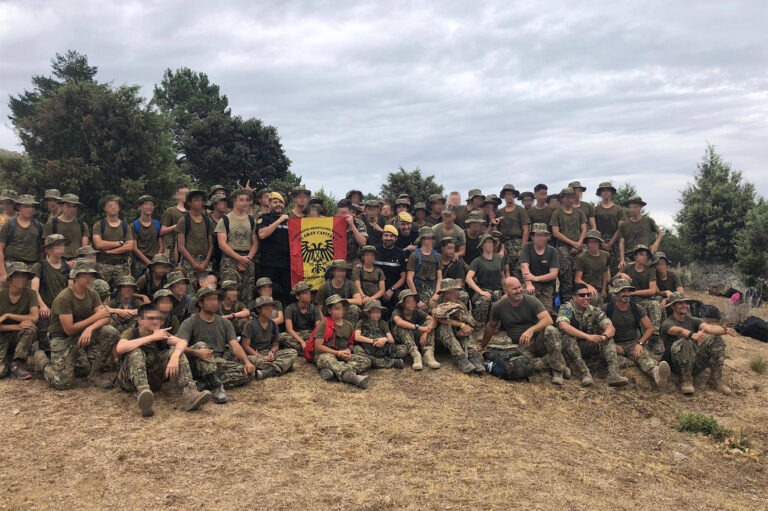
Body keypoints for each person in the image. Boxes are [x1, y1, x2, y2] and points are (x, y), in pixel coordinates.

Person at [115, 303, 211, 417]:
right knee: (135, 352)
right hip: (129, 382)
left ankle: (191, 395)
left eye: (157, 318)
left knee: (176, 351)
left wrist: (175, 357)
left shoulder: (161, 333)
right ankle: (144, 396)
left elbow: (182, 342)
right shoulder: (132, 332)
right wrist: (152, 337)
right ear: (140, 320)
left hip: (154, 380)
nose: (155, 321)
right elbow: (120, 348)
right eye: (151, 318)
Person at [34, 262, 120, 389]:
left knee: (109, 332)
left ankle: (94, 373)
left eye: (91, 275)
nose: (89, 278)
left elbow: (105, 318)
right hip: (62, 338)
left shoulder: (92, 294)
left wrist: (90, 329)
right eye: (85, 275)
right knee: (62, 383)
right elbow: (69, 329)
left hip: (80, 335)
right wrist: (95, 318)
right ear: (75, 277)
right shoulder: (64, 298)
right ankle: (40, 358)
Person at [480, 277, 569, 385]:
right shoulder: (498, 306)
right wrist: (482, 345)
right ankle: (554, 361)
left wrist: (531, 330)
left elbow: (548, 320)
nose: (519, 290)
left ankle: (558, 370)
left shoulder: (532, 301)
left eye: (519, 287)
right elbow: (491, 327)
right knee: (516, 367)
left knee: (550, 330)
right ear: (505, 291)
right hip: (521, 347)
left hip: (539, 342)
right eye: (514, 289)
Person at [176, 287, 256, 404]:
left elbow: (234, 344)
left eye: (216, 299)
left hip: (217, 363)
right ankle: (217, 387)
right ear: (200, 303)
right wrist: (196, 352)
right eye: (209, 299)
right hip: (197, 362)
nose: (214, 302)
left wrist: (246, 361)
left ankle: (203, 384)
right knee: (202, 346)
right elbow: (179, 345)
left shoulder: (225, 322)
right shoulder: (190, 322)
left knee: (248, 374)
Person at [661, 292, 734, 395]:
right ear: (673, 306)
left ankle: (715, 379)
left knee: (717, 339)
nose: (684, 305)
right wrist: (692, 335)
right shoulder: (668, 322)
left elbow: (709, 328)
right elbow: (677, 330)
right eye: (680, 303)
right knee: (686, 341)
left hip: (694, 362)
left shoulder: (692, 320)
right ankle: (686, 380)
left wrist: (724, 330)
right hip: (677, 364)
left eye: (685, 303)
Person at [556, 283, 628, 387]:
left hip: (586, 346)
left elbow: (610, 328)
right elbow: (563, 325)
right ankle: (584, 373)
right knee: (568, 337)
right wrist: (587, 336)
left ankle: (614, 374)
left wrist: (604, 336)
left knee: (608, 339)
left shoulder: (594, 310)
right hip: (568, 348)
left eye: (588, 295)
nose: (586, 298)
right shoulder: (567, 308)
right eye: (582, 295)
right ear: (574, 297)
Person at [604, 279, 671, 389]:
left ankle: (657, 374)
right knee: (610, 359)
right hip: (613, 343)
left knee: (643, 357)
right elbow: (598, 330)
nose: (626, 294)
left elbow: (650, 328)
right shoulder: (608, 308)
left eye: (628, 291)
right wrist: (613, 345)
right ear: (616, 293)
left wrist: (640, 343)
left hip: (632, 343)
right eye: (623, 291)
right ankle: (629, 364)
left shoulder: (636, 308)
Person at [613, 245, 663, 354]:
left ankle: (654, 339)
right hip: (627, 300)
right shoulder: (627, 267)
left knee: (654, 305)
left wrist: (632, 293)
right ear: (635, 256)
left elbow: (652, 291)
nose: (644, 257)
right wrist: (620, 274)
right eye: (641, 254)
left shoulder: (650, 270)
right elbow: (611, 282)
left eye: (646, 255)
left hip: (643, 300)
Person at [312, 295, 370, 388]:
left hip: (342, 355)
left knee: (365, 360)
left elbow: (351, 344)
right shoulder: (324, 324)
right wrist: (338, 353)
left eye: (342, 308)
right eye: (336, 308)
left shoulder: (349, 325)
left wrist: (348, 351)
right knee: (327, 359)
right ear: (329, 311)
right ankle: (351, 377)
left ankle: (331, 372)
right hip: (326, 354)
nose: (340, 311)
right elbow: (318, 347)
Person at [240, 296, 297, 380]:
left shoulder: (273, 324)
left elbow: (276, 345)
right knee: (253, 360)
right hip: (254, 354)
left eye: (271, 307)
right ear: (259, 310)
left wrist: (271, 352)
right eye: (266, 308)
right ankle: (284, 366)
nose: (270, 310)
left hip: (268, 353)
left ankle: (266, 372)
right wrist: (260, 356)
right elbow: (246, 346)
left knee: (293, 352)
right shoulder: (251, 324)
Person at [215, 189, 257, 303]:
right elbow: (222, 244)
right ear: (234, 201)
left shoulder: (252, 220)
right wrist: (239, 258)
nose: (244, 203)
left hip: (248, 259)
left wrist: (247, 259)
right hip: (230, 260)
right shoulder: (225, 220)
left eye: (247, 200)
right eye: (241, 200)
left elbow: (255, 242)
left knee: (247, 296)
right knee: (230, 295)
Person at [31, 235, 70, 353]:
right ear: (48, 249)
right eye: (57, 245)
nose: (61, 248)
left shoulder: (68, 268)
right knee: (46, 347)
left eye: (62, 245)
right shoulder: (39, 267)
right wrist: (42, 306)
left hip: (62, 311)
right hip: (46, 311)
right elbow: (34, 290)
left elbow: (71, 290)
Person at [431, 279, 480, 374]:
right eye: (451, 292)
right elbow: (439, 318)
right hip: (439, 338)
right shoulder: (435, 303)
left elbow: (471, 323)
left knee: (466, 332)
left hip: (456, 335)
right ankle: (461, 358)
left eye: (455, 291)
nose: (455, 294)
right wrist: (461, 325)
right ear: (444, 293)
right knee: (445, 328)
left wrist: (465, 328)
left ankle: (474, 357)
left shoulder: (460, 305)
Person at [0, 262, 39, 379]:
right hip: (2, 334)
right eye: (18, 275)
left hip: (18, 334)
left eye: (24, 276)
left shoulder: (31, 293)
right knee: (1, 372)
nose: (22, 279)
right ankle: (7, 360)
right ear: (11, 277)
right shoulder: (1, 293)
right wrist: (15, 327)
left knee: (31, 328)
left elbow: (34, 317)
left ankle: (17, 363)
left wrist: (8, 315)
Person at [549, 187, 587, 303]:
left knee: (582, 275)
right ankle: (566, 303)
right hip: (564, 248)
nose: (570, 200)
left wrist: (579, 244)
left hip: (580, 246)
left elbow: (584, 228)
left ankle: (582, 300)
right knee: (566, 278)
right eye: (567, 197)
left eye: (572, 197)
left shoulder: (579, 212)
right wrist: (572, 243)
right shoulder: (557, 213)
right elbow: (555, 232)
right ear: (562, 198)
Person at [389, 289, 439, 370]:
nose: (412, 303)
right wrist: (419, 327)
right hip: (402, 341)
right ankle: (416, 355)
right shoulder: (397, 312)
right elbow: (399, 322)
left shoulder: (417, 312)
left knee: (428, 323)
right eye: (408, 301)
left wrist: (426, 332)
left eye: (413, 301)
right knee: (401, 327)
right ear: (402, 304)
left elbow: (433, 319)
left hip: (415, 338)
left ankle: (428, 354)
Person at [92, 195, 134, 290]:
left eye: (116, 204)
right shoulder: (99, 225)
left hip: (121, 266)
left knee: (122, 292)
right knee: (100, 292)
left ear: (119, 208)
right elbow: (98, 244)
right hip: (103, 266)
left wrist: (108, 251)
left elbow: (130, 246)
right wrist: (120, 243)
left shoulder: (125, 226)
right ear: (104, 208)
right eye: (109, 205)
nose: (113, 207)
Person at [176, 189, 214, 293]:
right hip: (189, 263)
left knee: (208, 293)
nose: (200, 203)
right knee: (190, 294)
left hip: (206, 262)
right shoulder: (184, 221)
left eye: (202, 200)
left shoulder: (207, 221)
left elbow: (211, 245)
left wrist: (206, 262)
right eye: (196, 200)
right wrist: (194, 264)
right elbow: (181, 247)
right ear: (189, 203)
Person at [256, 192, 291, 303]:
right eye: (275, 202)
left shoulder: (290, 220)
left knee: (288, 295)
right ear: (270, 205)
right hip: (269, 265)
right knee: (267, 296)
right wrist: (279, 220)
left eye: (281, 202)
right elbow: (262, 235)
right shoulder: (264, 218)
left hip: (286, 265)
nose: (278, 204)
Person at [466, 233, 504, 334]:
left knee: (500, 301)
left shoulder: (498, 259)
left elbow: (503, 277)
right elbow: (468, 278)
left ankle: (495, 329)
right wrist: (480, 291)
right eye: (487, 242)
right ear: (482, 245)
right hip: (483, 290)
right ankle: (480, 329)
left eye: (491, 242)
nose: (490, 244)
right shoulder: (477, 261)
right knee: (484, 300)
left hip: (497, 291)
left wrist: (507, 292)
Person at [519, 223, 559, 316]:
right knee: (528, 303)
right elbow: (524, 266)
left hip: (546, 286)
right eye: (538, 235)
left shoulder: (553, 251)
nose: (541, 238)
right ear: (533, 237)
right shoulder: (527, 247)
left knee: (546, 312)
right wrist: (529, 284)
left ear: (547, 237)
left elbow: (553, 274)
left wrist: (536, 278)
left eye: (544, 235)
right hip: (530, 283)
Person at [354, 300, 407, 369]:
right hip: (368, 349)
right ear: (367, 313)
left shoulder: (383, 323)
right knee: (357, 350)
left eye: (379, 312)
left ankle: (379, 361)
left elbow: (391, 340)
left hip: (384, 348)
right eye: (374, 312)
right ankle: (391, 362)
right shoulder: (362, 322)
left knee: (403, 349)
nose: (377, 314)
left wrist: (384, 339)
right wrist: (373, 341)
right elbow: (357, 337)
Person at [0, 194, 43, 278]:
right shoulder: (9, 225)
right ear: (19, 207)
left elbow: (41, 249)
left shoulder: (39, 226)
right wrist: (3, 273)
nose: (29, 209)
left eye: (31, 206)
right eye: (26, 206)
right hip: (12, 267)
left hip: (32, 266)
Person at [43, 193, 90, 264]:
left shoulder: (82, 225)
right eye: (68, 206)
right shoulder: (52, 224)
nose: (71, 209)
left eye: (74, 206)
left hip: (77, 263)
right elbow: (48, 249)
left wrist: (77, 261)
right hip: (57, 263)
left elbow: (85, 249)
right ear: (61, 206)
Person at [618, 195, 663, 266]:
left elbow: (660, 234)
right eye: (630, 207)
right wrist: (622, 260)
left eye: (635, 207)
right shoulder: (624, 225)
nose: (632, 209)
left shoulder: (648, 221)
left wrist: (655, 244)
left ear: (641, 207)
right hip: (630, 256)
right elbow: (621, 243)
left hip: (645, 255)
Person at [497, 184, 531, 276]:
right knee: (504, 269)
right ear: (503, 196)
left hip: (517, 243)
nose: (508, 196)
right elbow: (496, 230)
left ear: (514, 195)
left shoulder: (520, 210)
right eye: (506, 194)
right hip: (504, 244)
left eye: (510, 194)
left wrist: (522, 248)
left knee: (518, 271)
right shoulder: (500, 212)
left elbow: (526, 230)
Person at [279, 281, 322, 352]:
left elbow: (318, 327)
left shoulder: (314, 308)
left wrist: (311, 340)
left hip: (309, 334)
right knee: (281, 337)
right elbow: (289, 329)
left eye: (309, 292)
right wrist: (302, 342)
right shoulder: (290, 308)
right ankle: (307, 348)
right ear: (297, 296)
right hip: (296, 335)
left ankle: (304, 348)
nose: (308, 295)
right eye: (305, 293)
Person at [406, 227, 442, 310]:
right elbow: (409, 279)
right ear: (421, 239)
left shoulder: (437, 256)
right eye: (426, 238)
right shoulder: (415, 255)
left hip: (433, 289)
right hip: (419, 290)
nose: (429, 240)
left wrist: (437, 294)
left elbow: (439, 278)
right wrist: (417, 299)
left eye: (431, 238)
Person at [593, 182, 626, 275]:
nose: (606, 192)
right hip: (599, 241)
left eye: (608, 190)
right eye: (603, 190)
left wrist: (610, 242)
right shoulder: (595, 210)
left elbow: (621, 228)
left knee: (616, 269)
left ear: (611, 192)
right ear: (600, 193)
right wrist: (601, 242)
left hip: (615, 243)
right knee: (599, 268)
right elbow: (593, 226)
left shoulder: (619, 210)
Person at [373, 224, 407, 312]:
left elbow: (403, 276)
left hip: (393, 289)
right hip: (375, 288)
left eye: (391, 236)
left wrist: (391, 290)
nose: (388, 238)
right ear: (382, 237)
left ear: (396, 238)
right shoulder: (374, 251)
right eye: (386, 235)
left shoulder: (401, 253)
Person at [573, 229, 611, 305]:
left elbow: (605, 271)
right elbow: (577, 279)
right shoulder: (581, 258)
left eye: (594, 241)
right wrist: (588, 286)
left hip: (601, 288)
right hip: (586, 289)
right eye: (590, 242)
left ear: (599, 243)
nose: (592, 244)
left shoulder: (606, 255)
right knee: (594, 299)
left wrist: (604, 289)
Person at [130, 195, 164, 278]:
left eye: (151, 205)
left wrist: (157, 260)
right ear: (140, 206)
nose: (149, 207)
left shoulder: (157, 224)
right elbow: (134, 248)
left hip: (156, 262)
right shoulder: (134, 225)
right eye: (146, 204)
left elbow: (161, 245)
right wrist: (148, 262)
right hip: (140, 263)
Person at [160, 184, 189, 264]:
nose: (186, 196)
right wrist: (177, 225)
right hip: (176, 248)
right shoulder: (171, 211)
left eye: (187, 193)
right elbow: (162, 231)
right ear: (177, 195)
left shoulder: (193, 212)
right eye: (183, 193)